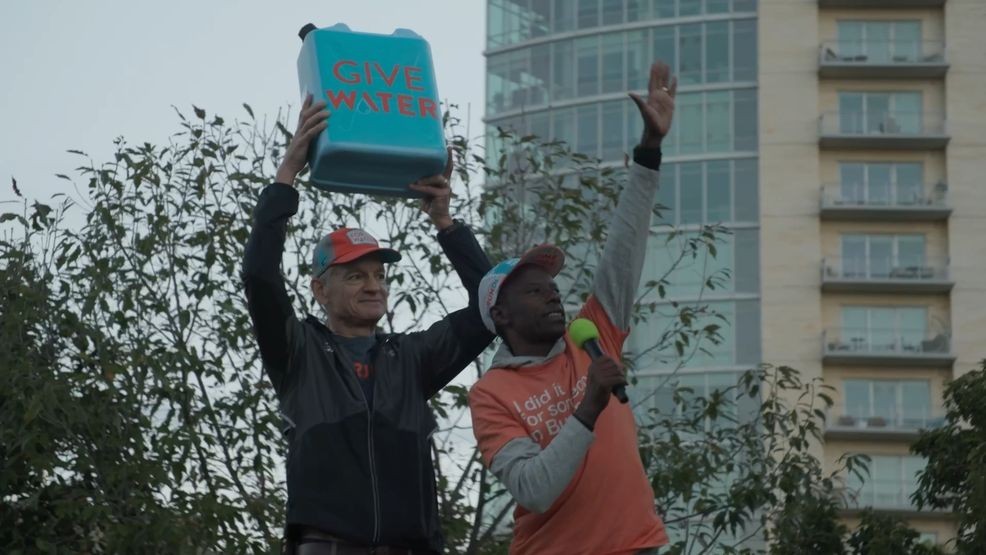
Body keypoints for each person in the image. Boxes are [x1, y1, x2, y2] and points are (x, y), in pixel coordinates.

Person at [242, 94, 495, 555]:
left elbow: (492, 308)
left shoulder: (412, 358)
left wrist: (445, 224)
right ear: (320, 290)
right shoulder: (297, 352)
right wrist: (286, 175)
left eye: (379, 275)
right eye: (355, 275)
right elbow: (259, 276)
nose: (373, 286)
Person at [468, 61, 677, 555]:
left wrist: (649, 151)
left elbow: (623, 250)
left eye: (553, 286)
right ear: (501, 316)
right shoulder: (491, 394)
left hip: (638, 545)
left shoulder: (592, 331)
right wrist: (589, 406)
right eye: (534, 290)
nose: (552, 294)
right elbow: (533, 489)